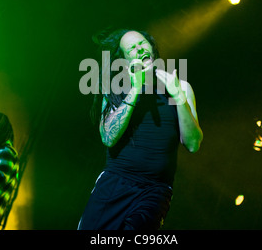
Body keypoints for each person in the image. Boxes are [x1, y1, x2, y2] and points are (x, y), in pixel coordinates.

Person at [78, 29, 203, 230]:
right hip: (115, 184)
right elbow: (108, 137)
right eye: (131, 48)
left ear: (152, 48)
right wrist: (135, 89)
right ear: (125, 60)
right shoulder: (116, 88)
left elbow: (193, 143)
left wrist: (179, 98)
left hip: (155, 191)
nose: (139, 49)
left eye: (142, 44)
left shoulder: (180, 87)